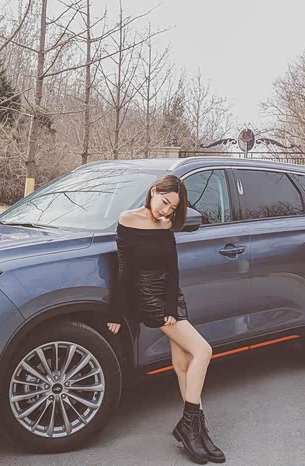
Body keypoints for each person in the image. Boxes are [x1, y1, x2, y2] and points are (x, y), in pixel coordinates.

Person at [107, 174, 226, 464]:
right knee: (203, 350)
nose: (165, 211)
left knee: (183, 363)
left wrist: (173, 304)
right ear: (153, 191)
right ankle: (190, 425)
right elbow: (124, 270)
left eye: (172, 208)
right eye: (164, 202)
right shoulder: (128, 220)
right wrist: (118, 312)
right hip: (148, 296)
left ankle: (197, 430)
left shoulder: (165, 225)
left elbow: (172, 268)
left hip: (172, 297)